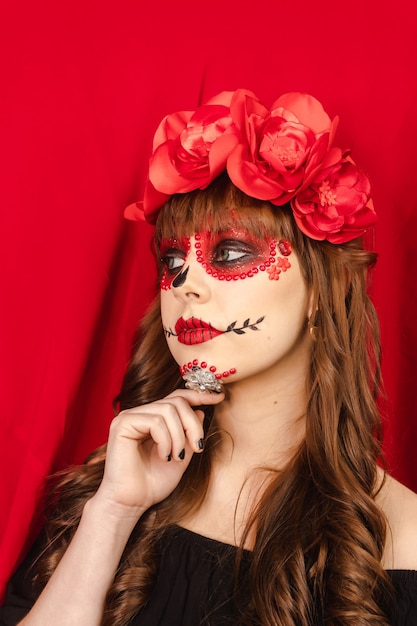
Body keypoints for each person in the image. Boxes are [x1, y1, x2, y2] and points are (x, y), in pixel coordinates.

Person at [1, 89, 417, 626]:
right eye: (173, 260)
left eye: (229, 253)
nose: (185, 284)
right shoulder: (108, 489)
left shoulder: (403, 539)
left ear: (320, 293)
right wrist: (113, 513)